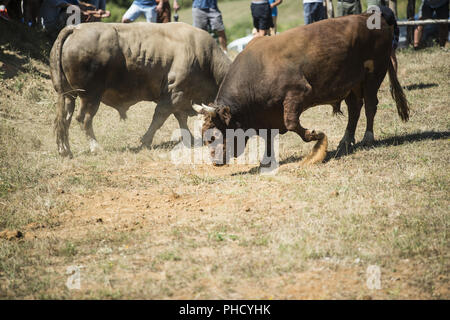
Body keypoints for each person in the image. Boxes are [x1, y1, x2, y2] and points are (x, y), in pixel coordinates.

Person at [40, 0, 109, 37]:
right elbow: (68, 6)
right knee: (73, 12)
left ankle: (85, 34)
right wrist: (84, 12)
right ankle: (73, 36)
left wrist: (96, 11)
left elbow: (80, 5)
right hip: (50, 26)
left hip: (57, 21)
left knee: (80, 9)